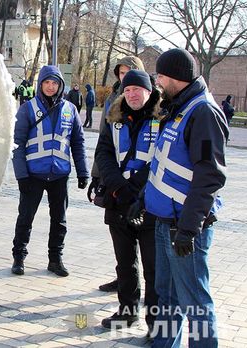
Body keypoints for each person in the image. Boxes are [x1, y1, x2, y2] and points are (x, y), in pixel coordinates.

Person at [144, 48, 228, 346]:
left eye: (161, 77)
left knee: (195, 304)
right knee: (167, 298)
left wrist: (189, 229)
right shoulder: (178, 106)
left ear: (175, 78)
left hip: (184, 228)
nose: (157, 83)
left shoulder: (202, 112)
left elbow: (210, 177)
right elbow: (167, 163)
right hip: (165, 221)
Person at [95, 70, 160, 335]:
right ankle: (127, 311)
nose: (132, 94)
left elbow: (160, 160)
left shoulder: (163, 118)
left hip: (149, 204)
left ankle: (155, 323)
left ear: (149, 91)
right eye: (128, 89)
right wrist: (120, 189)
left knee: (153, 269)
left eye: (137, 89)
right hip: (118, 201)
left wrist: (135, 191)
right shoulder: (114, 117)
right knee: (124, 263)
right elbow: (103, 153)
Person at [11, 65, 89, 277]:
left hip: (59, 175)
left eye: (55, 83)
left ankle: (55, 259)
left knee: (59, 220)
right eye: (47, 82)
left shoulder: (70, 110)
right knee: (25, 218)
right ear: (40, 84)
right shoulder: (28, 108)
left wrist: (83, 172)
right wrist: (21, 175)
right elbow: (16, 143)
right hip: (33, 175)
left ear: (60, 85)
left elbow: (78, 143)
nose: (51, 86)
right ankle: (19, 257)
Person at [87, 55, 145, 293]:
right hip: (115, 182)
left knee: (143, 241)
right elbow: (104, 144)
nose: (124, 78)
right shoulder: (113, 99)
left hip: (141, 189)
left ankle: (144, 287)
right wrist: (97, 176)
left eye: (129, 73)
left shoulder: (153, 104)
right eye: (121, 74)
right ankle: (124, 281)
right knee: (122, 243)